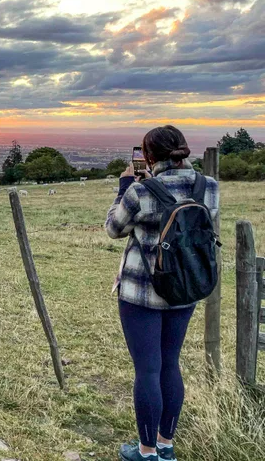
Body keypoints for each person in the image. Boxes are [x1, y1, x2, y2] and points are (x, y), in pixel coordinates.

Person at [105, 125, 219, 461]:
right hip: (186, 287)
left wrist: (126, 184)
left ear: (148, 155)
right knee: (170, 364)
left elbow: (113, 228)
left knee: (148, 370)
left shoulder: (141, 191)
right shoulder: (208, 187)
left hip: (141, 292)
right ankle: (166, 444)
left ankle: (145, 450)